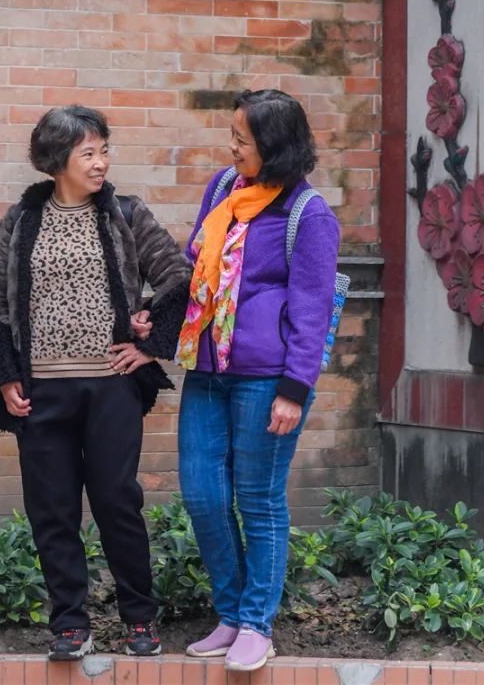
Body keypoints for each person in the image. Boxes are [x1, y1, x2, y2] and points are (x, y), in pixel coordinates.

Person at [0, 104, 190, 663]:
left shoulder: (125, 213)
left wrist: (149, 345)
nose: (101, 162)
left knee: (118, 502)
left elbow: (178, 277)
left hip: (111, 388)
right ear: (57, 160)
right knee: (52, 510)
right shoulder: (21, 220)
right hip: (41, 392)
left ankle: (140, 618)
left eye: (104, 150)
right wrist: (4, 378)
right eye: (88, 153)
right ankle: (70, 624)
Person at [171, 88, 340, 673]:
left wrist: (295, 391)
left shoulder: (308, 214)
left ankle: (255, 624)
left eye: (242, 140)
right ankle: (230, 612)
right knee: (203, 496)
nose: (232, 148)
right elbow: (195, 266)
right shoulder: (224, 190)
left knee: (259, 500)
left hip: (267, 381)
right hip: (206, 369)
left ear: (275, 146)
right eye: (233, 136)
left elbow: (313, 309)